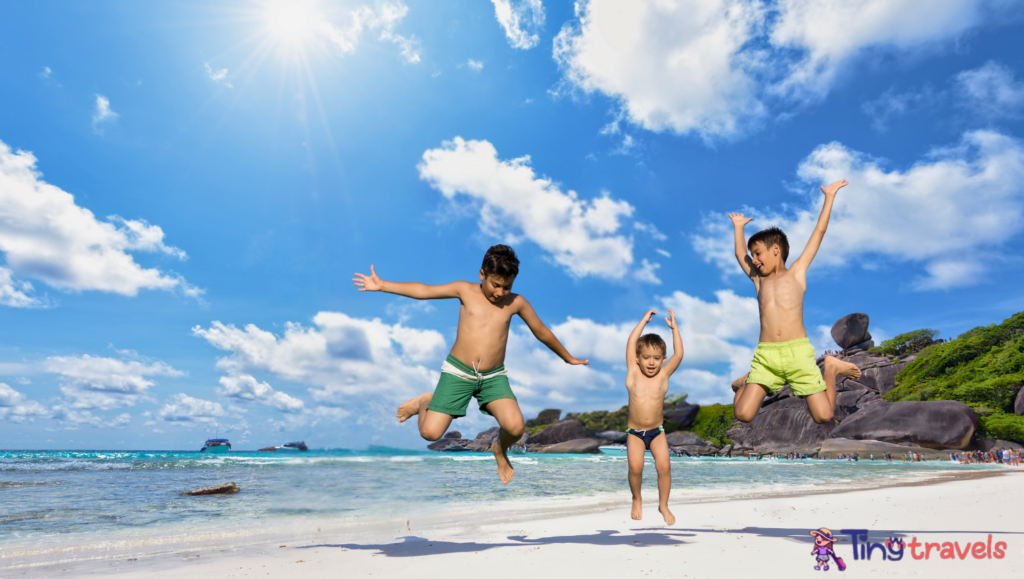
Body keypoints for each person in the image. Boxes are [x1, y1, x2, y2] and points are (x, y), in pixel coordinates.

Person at [353, 245, 589, 484]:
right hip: (458, 373)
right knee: (430, 433)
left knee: (516, 427)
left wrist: (567, 357)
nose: (500, 292)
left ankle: (499, 449)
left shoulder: (517, 303)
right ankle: (426, 400)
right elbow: (423, 290)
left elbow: (541, 332)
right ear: (482, 275)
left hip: (493, 377)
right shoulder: (464, 290)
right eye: (495, 285)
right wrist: (383, 285)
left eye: (506, 287)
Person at [727, 180, 862, 425]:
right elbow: (739, 254)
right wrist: (738, 227)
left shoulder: (797, 272)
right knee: (743, 414)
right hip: (766, 356)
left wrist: (829, 197)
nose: (754, 259)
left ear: (776, 249)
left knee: (824, 416)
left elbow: (818, 233)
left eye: (758, 253)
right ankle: (744, 382)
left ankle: (831, 369)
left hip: (797, 353)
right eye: (753, 255)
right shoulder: (759, 280)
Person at [624, 309, 683, 525]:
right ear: (637, 358)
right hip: (635, 433)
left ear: (663, 359)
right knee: (636, 467)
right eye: (646, 358)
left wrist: (675, 329)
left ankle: (663, 505)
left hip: (657, 432)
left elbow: (679, 355)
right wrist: (643, 322)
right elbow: (631, 342)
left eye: (656, 358)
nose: (651, 363)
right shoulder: (633, 372)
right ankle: (637, 499)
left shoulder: (664, 375)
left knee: (665, 467)